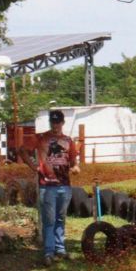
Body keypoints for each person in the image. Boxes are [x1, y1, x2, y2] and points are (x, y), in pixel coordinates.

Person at [36, 110, 77, 262]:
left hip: (64, 185)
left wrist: (75, 168)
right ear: (50, 123)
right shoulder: (41, 138)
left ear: (62, 123)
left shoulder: (68, 140)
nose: (55, 125)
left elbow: (73, 162)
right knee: (49, 219)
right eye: (53, 122)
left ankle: (60, 249)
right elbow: (22, 149)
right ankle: (49, 251)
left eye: (58, 122)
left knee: (60, 218)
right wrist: (33, 166)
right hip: (47, 185)